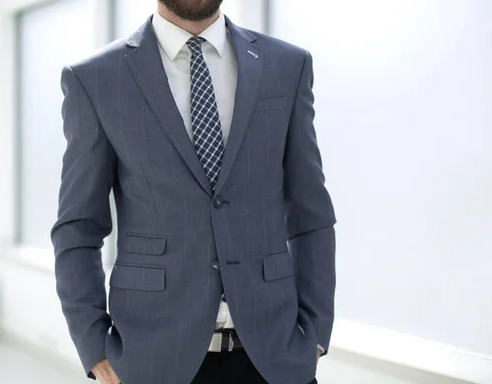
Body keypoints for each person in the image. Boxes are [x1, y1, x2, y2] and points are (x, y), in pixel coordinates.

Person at [51, 0, 336, 382]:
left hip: (275, 358)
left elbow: (311, 212)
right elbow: (78, 228)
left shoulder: (287, 65)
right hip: (151, 360)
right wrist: (94, 347)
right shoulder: (96, 80)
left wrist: (315, 333)